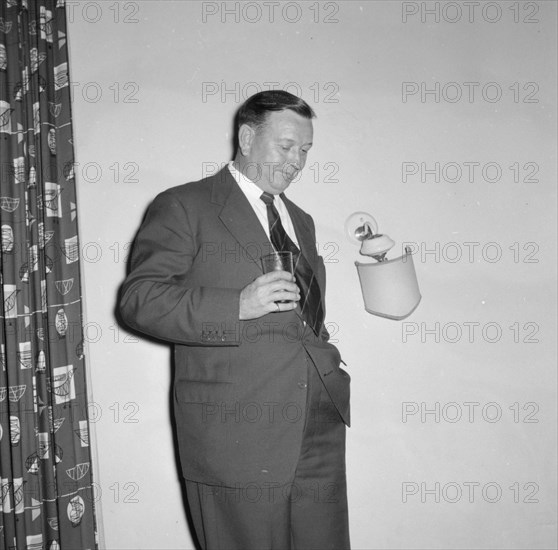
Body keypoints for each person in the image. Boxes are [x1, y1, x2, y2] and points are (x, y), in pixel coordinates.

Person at [119, 90, 351, 550]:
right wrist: (235, 306)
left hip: (317, 420)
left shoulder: (299, 219)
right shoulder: (185, 205)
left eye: (305, 150)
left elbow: (308, 316)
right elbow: (139, 300)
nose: (297, 161)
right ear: (247, 138)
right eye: (286, 146)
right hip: (237, 431)